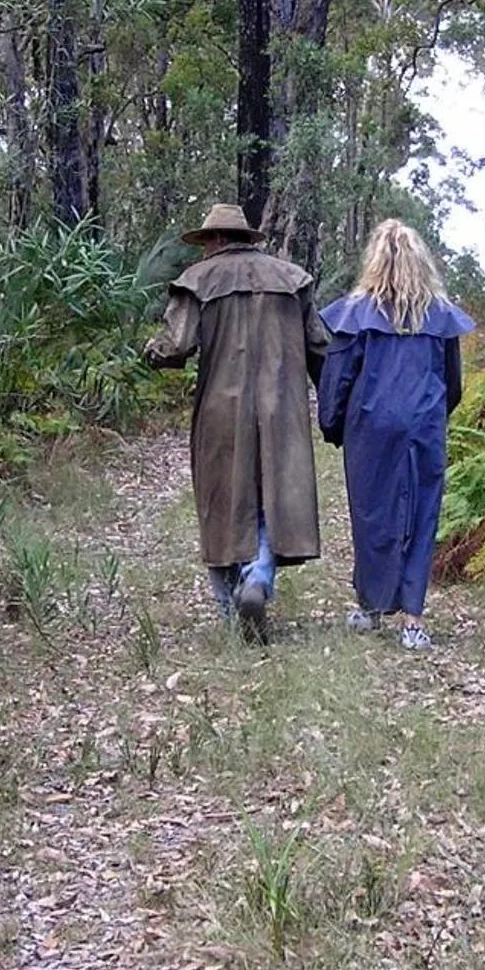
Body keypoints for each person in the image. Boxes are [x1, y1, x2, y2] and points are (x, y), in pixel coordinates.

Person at [145, 202, 330, 642]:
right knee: (272, 497)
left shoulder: (197, 280)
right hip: (282, 407)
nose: (204, 250)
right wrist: (333, 407)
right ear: (245, 238)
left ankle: (231, 610)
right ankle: (260, 577)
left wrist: (150, 354)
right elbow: (321, 347)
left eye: (205, 241)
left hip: (220, 410)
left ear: (216, 240)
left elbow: (175, 346)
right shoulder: (292, 280)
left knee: (220, 499)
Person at [316, 219, 475, 652]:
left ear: (374, 262)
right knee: (422, 514)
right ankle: (412, 621)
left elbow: (338, 378)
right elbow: (453, 384)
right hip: (423, 425)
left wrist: (332, 425)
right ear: (420, 262)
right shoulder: (438, 317)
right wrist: (432, 417)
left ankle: (370, 607)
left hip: (371, 428)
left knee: (372, 515)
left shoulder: (356, 314)